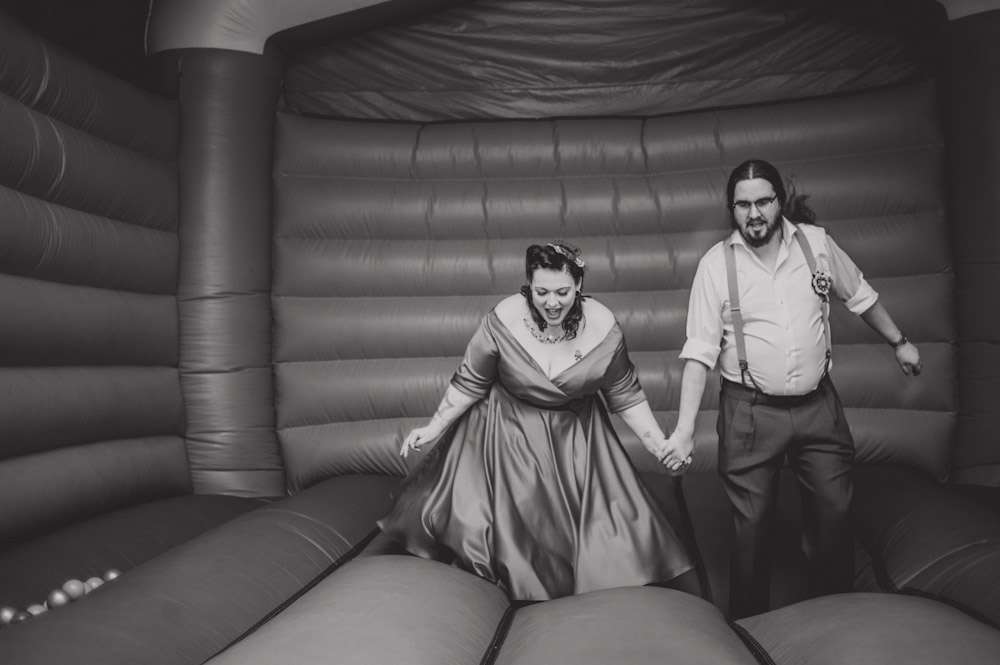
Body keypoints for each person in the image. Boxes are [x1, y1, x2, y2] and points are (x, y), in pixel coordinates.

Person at [665, 158, 923, 618]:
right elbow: (699, 353)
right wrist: (684, 431)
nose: (754, 214)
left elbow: (860, 296)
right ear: (732, 209)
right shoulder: (716, 265)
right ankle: (749, 625)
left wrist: (900, 342)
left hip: (818, 405)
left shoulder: (816, 245)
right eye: (742, 205)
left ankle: (834, 615)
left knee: (834, 511)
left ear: (780, 201)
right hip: (749, 411)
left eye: (763, 201)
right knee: (751, 527)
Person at [377, 241, 694, 601]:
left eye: (562, 292)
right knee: (490, 532)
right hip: (504, 432)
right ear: (529, 284)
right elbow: (470, 381)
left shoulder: (604, 326)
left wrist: (658, 446)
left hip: (573, 440)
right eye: (541, 292)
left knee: (603, 542)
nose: (552, 303)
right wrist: (433, 427)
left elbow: (625, 395)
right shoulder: (503, 319)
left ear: (578, 284)